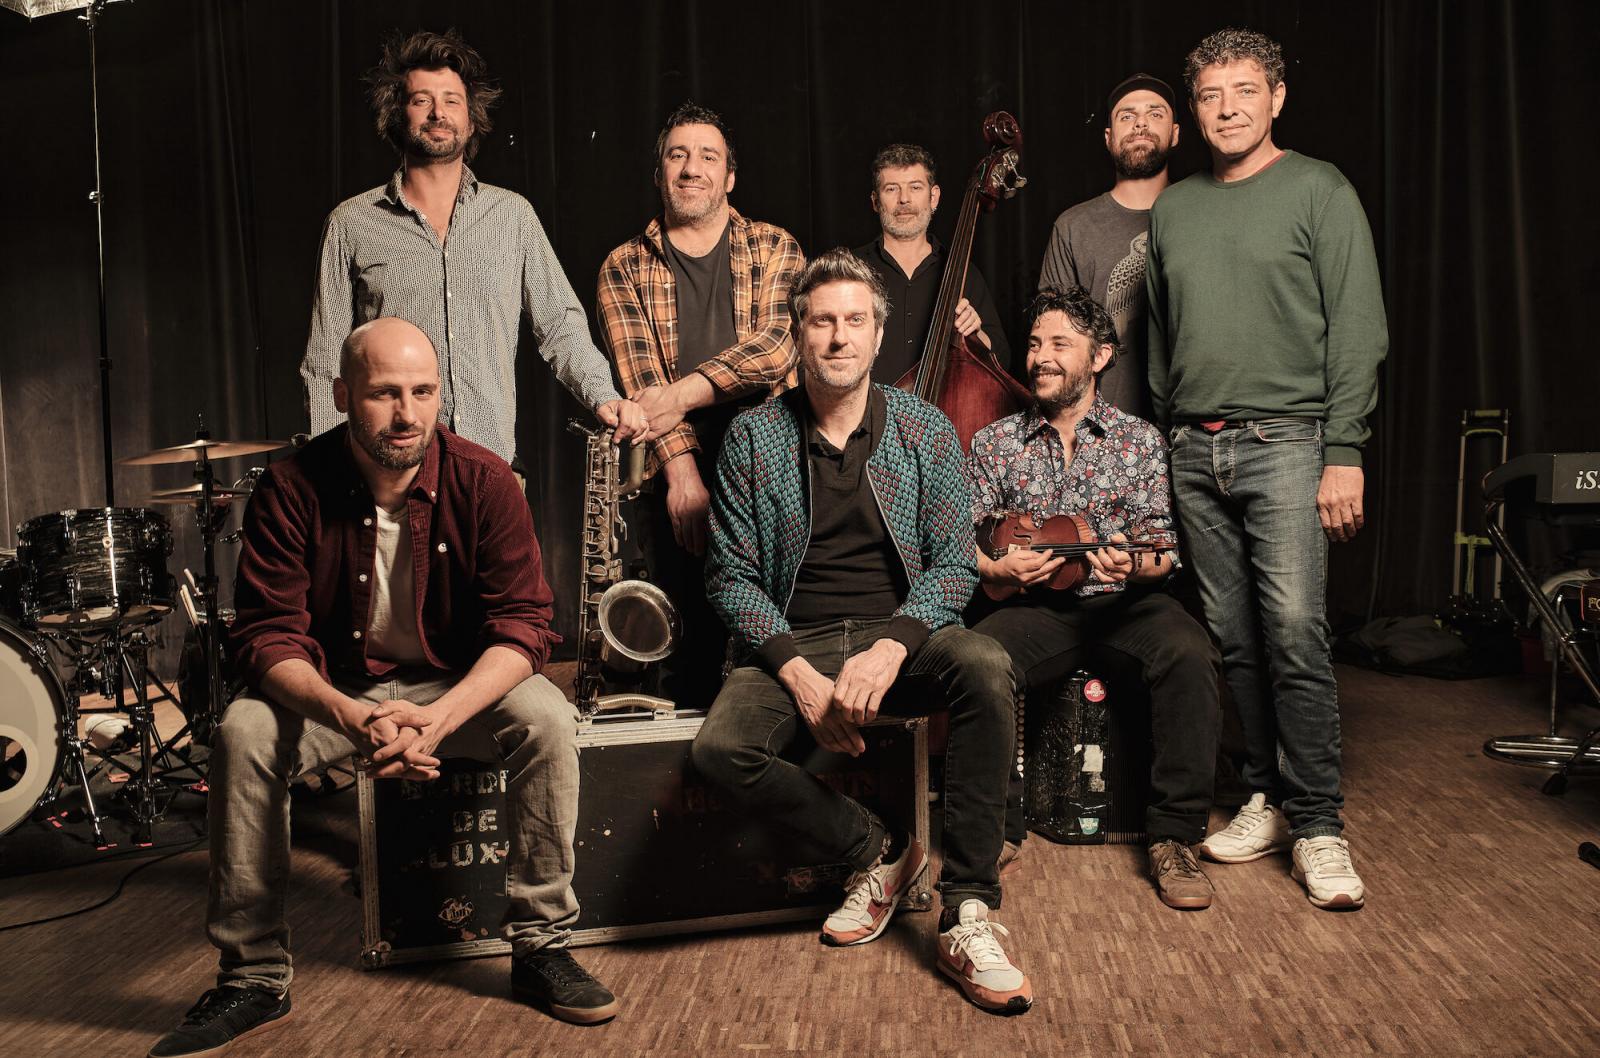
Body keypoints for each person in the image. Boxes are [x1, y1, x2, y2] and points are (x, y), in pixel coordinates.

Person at [150, 318, 615, 1058]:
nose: (407, 414)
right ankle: (253, 976)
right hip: (337, 693)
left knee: (547, 717)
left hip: (455, 688)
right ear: (342, 395)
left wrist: (441, 717)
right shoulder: (290, 488)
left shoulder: (486, 481)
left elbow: (524, 627)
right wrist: (352, 716)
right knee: (244, 732)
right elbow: (267, 638)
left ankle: (541, 946)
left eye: (423, 392)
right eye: (384, 393)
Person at [691, 249, 1032, 1014]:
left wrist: (891, 646)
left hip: (901, 636)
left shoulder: (923, 428)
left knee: (985, 664)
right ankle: (878, 851)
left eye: (854, 321)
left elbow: (955, 565)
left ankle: (967, 910)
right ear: (798, 334)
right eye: (822, 321)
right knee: (720, 749)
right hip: (795, 639)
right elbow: (729, 578)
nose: (839, 337)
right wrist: (797, 674)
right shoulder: (753, 436)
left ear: (878, 335)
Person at [1146, 27, 1389, 910]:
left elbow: (1357, 328)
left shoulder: (1320, 190)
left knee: (1293, 630)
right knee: (1234, 637)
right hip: (1193, 448)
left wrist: (1344, 451)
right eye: (1211, 95)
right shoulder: (1174, 208)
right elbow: (1161, 338)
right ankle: (1268, 797)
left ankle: (1319, 824)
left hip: (1287, 441)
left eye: (1245, 90)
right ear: (1195, 108)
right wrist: (1169, 440)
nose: (1228, 109)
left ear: (1277, 98)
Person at [967, 286, 1221, 910]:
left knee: (1190, 652)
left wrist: (1132, 564)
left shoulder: (1139, 442)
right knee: (977, 660)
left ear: (1100, 356)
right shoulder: (995, 442)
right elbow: (962, 545)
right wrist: (998, 567)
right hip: (1033, 607)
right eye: (1034, 344)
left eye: (1060, 344)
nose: (1040, 357)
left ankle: (1175, 838)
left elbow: (1163, 552)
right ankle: (995, 829)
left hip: (1122, 603)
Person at [300, 29, 647, 467]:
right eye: (421, 100)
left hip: (491, 468)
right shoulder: (351, 224)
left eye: (452, 101)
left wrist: (603, 396)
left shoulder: (513, 216)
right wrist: (328, 469)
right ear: (397, 113)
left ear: (470, 117)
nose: (438, 113)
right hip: (389, 474)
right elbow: (326, 360)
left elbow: (560, 324)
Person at [596, 102, 804, 707]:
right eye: (678, 155)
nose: (692, 169)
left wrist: (680, 394)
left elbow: (775, 348)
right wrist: (683, 475)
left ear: (729, 176)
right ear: (659, 171)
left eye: (708, 156)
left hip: (770, 471)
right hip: (674, 475)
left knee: (775, 644)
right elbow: (641, 378)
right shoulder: (623, 266)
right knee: (684, 655)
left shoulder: (774, 246)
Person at [1038, 74, 1180, 419]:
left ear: (1175, 133)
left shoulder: (1201, 213)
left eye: (1155, 114)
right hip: (1105, 429)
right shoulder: (1074, 226)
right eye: (1127, 116)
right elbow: (1055, 340)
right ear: (1108, 137)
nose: (1141, 123)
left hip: (1190, 430)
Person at [854, 144, 1013, 384]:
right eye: (891, 189)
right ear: (876, 202)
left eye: (915, 187)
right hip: (868, 407)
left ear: (934, 196)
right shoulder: (850, 270)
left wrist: (976, 334)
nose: (904, 199)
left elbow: (1002, 359)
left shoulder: (963, 273)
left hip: (945, 407)